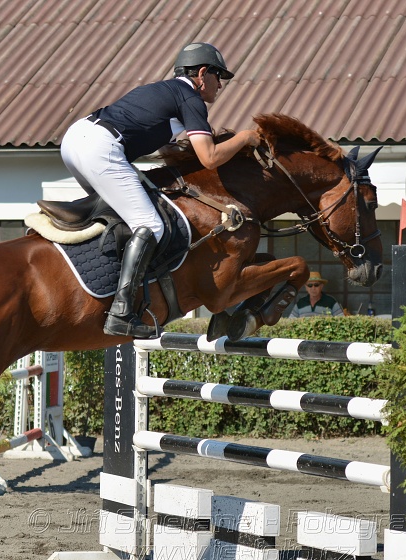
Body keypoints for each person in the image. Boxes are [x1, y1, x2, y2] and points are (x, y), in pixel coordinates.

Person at [60, 42, 261, 338]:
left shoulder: (164, 91)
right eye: (219, 77)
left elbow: (162, 143)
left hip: (75, 140)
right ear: (202, 73)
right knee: (151, 224)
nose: (221, 85)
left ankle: (103, 285)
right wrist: (244, 137)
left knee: (121, 219)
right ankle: (122, 311)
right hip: (100, 148)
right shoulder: (191, 98)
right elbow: (209, 158)